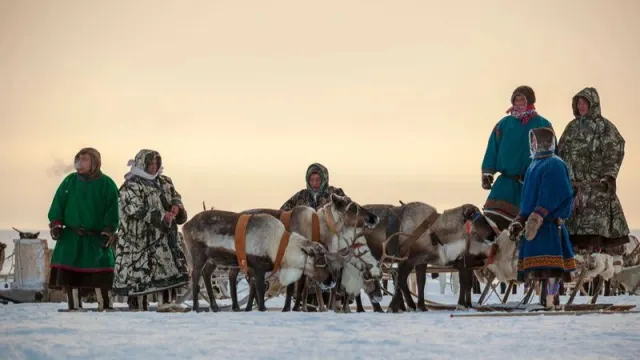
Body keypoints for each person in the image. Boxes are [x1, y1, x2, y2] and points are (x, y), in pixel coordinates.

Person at [112, 149, 189, 311]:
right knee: (139, 274)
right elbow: (134, 208)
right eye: (150, 164)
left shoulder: (165, 181)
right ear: (142, 164)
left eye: (156, 163)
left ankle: (167, 303)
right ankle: (139, 306)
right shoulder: (130, 186)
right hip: (138, 239)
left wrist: (176, 207)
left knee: (167, 271)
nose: (153, 167)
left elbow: (175, 196)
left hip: (164, 239)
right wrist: (161, 217)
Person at [508, 127, 577, 310]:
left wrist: (537, 217)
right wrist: (520, 220)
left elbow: (553, 194)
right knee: (540, 270)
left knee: (552, 270)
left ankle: (551, 300)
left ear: (544, 141)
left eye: (534, 140)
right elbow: (527, 199)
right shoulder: (533, 165)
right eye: (531, 141)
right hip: (534, 225)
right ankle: (544, 300)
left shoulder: (554, 163)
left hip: (548, 226)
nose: (531, 144)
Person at [557, 87, 630, 255]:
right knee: (569, 228)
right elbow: (559, 152)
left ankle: (594, 256)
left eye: (585, 103)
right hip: (572, 187)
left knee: (593, 228)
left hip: (595, 187)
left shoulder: (604, 126)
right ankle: (571, 260)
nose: (581, 106)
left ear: (593, 104)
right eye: (579, 103)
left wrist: (609, 176)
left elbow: (615, 149)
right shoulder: (571, 127)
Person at [47, 148, 119, 311]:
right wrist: (56, 223)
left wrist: (109, 230)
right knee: (71, 274)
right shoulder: (69, 181)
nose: (80, 162)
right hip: (71, 237)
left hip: (96, 238)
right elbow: (58, 203)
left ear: (95, 162)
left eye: (85, 159)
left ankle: (106, 305)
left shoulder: (107, 184)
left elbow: (113, 210)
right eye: (78, 159)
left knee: (101, 273)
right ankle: (74, 306)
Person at [481, 86, 554, 234]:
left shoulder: (543, 124)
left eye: (522, 99)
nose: (519, 102)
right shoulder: (504, 124)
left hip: (531, 185)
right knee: (491, 225)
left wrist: (548, 179)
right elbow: (493, 148)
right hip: (505, 185)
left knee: (525, 229)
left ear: (530, 101)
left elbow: (552, 153)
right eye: (516, 99)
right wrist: (487, 172)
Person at [280, 162, 348, 211]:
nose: (314, 183)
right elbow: (282, 211)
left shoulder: (335, 193)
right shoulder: (301, 195)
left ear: (324, 179)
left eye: (318, 180)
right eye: (311, 180)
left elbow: (350, 209)